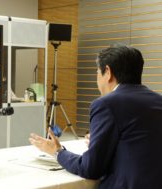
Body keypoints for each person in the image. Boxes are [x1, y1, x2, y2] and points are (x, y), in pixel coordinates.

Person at [29, 44, 162, 189]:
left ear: (108, 72)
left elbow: (90, 169)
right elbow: (140, 146)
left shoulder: (106, 104)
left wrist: (58, 151)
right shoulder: (158, 101)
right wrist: (102, 142)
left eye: (98, 72)